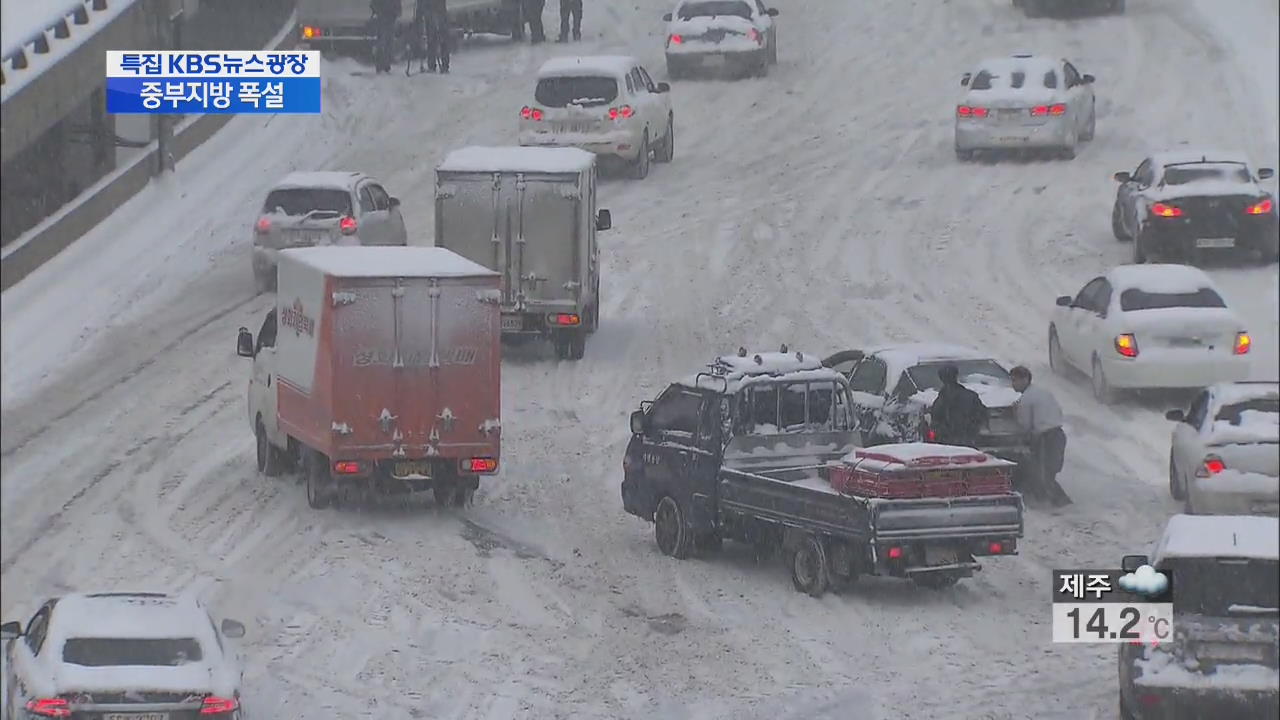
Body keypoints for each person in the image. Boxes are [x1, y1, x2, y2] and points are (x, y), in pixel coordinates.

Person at [1010, 365, 1072, 507]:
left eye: (1015, 380)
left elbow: (1025, 425)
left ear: (1025, 379)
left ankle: (1061, 503)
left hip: (1046, 438)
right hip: (1058, 434)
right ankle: (1050, 499)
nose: (1013, 384)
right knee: (1049, 470)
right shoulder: (1043, 392)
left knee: (1042, 472)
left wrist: (1015, 414)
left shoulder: (1026, 399)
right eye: (1012, 380)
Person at [928, 364, 987, 448]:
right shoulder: (970, 396)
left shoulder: (940, 400)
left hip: (950, 444)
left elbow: (935, 423)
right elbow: (982, 414)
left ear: (941, 378)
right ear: (956, 376)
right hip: (967, 441)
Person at [417, 0, 450, 73]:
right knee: (435, 38)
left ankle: (435, 65)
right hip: (434, 10)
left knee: (436, 38)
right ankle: (440, 65)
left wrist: (419, 12)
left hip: (433, 10)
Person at [370, 0, 401, 73]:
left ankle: (385, 64)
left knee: (388, 41)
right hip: (384, 15)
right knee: (384, 41)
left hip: (389, 15)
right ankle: (382, 65)